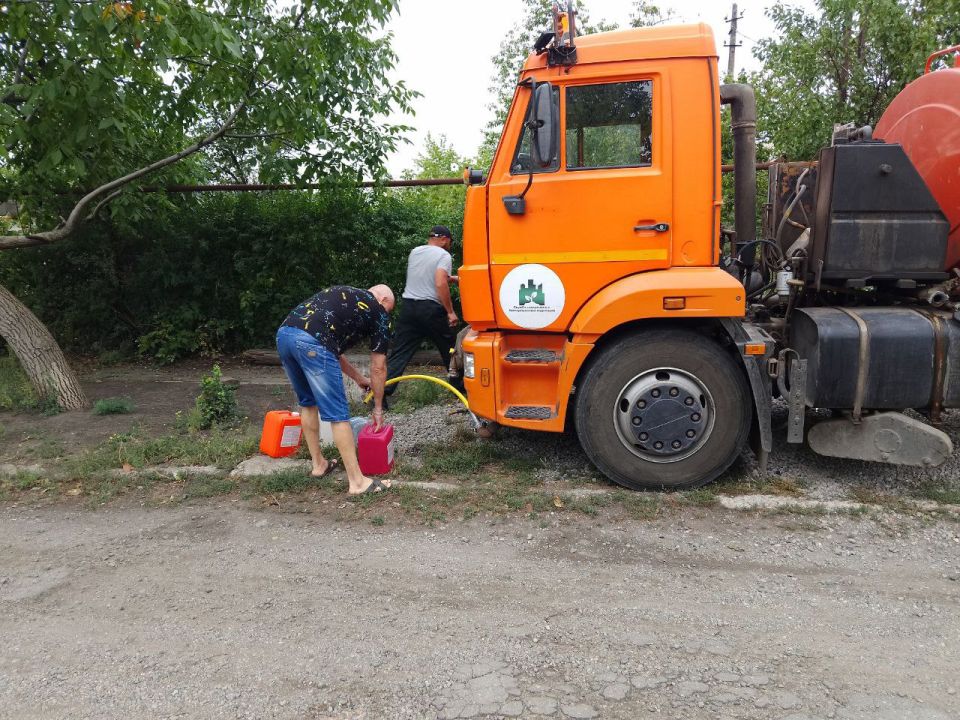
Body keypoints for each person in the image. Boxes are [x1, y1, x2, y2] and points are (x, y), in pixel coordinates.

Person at [276, 284, 395, 494]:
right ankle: (357, 482)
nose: (387, 314)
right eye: (389, 309)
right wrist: (378, 407)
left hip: (285, 335)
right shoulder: (379, 312)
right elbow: (378, 367)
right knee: (338, 414)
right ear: (383, 300)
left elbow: (331, 350)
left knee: (308, 403)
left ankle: (318, 465)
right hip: (313, 343)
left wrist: (358, 378)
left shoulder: (345, 295)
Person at [386, 225, 460, 398]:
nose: (449, 246)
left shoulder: (415, 252)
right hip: (430, 310)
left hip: (409, 308)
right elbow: (440, 282)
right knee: (450, 348)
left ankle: (381, 393)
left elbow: (426, 275)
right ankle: (461, 388)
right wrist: (450, 311)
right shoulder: (443, 255)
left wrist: (453, 279)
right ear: (444, 239)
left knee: (399, 352)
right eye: (450, 242)